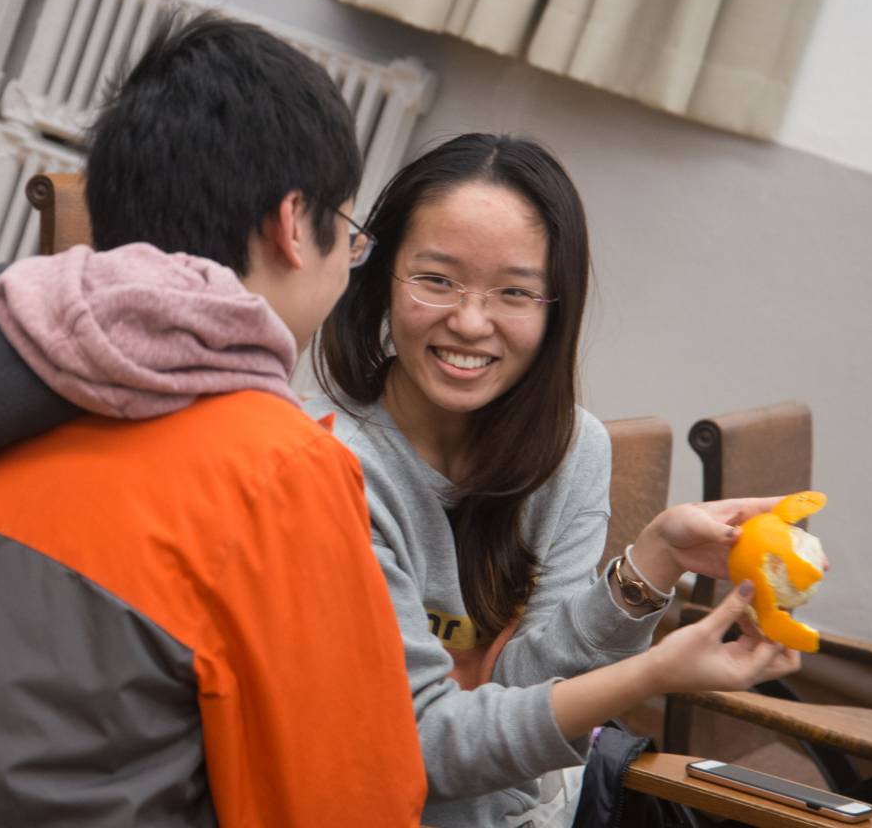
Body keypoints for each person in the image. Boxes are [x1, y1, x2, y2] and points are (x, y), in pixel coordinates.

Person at [0, 12, 428, 827]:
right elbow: (346, 806)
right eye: (351, 235)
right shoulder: (279, 469)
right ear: (293, 226)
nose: (346, 267)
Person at [309, 133, 802, 826]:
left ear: (554, 309)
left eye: (514, 292)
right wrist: (653, 673)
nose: (471, 322)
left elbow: (526, 693)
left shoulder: (573, 451)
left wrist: (653, 561)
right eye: (436, 279)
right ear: (380, 274)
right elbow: (416, 747)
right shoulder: (322, 461)